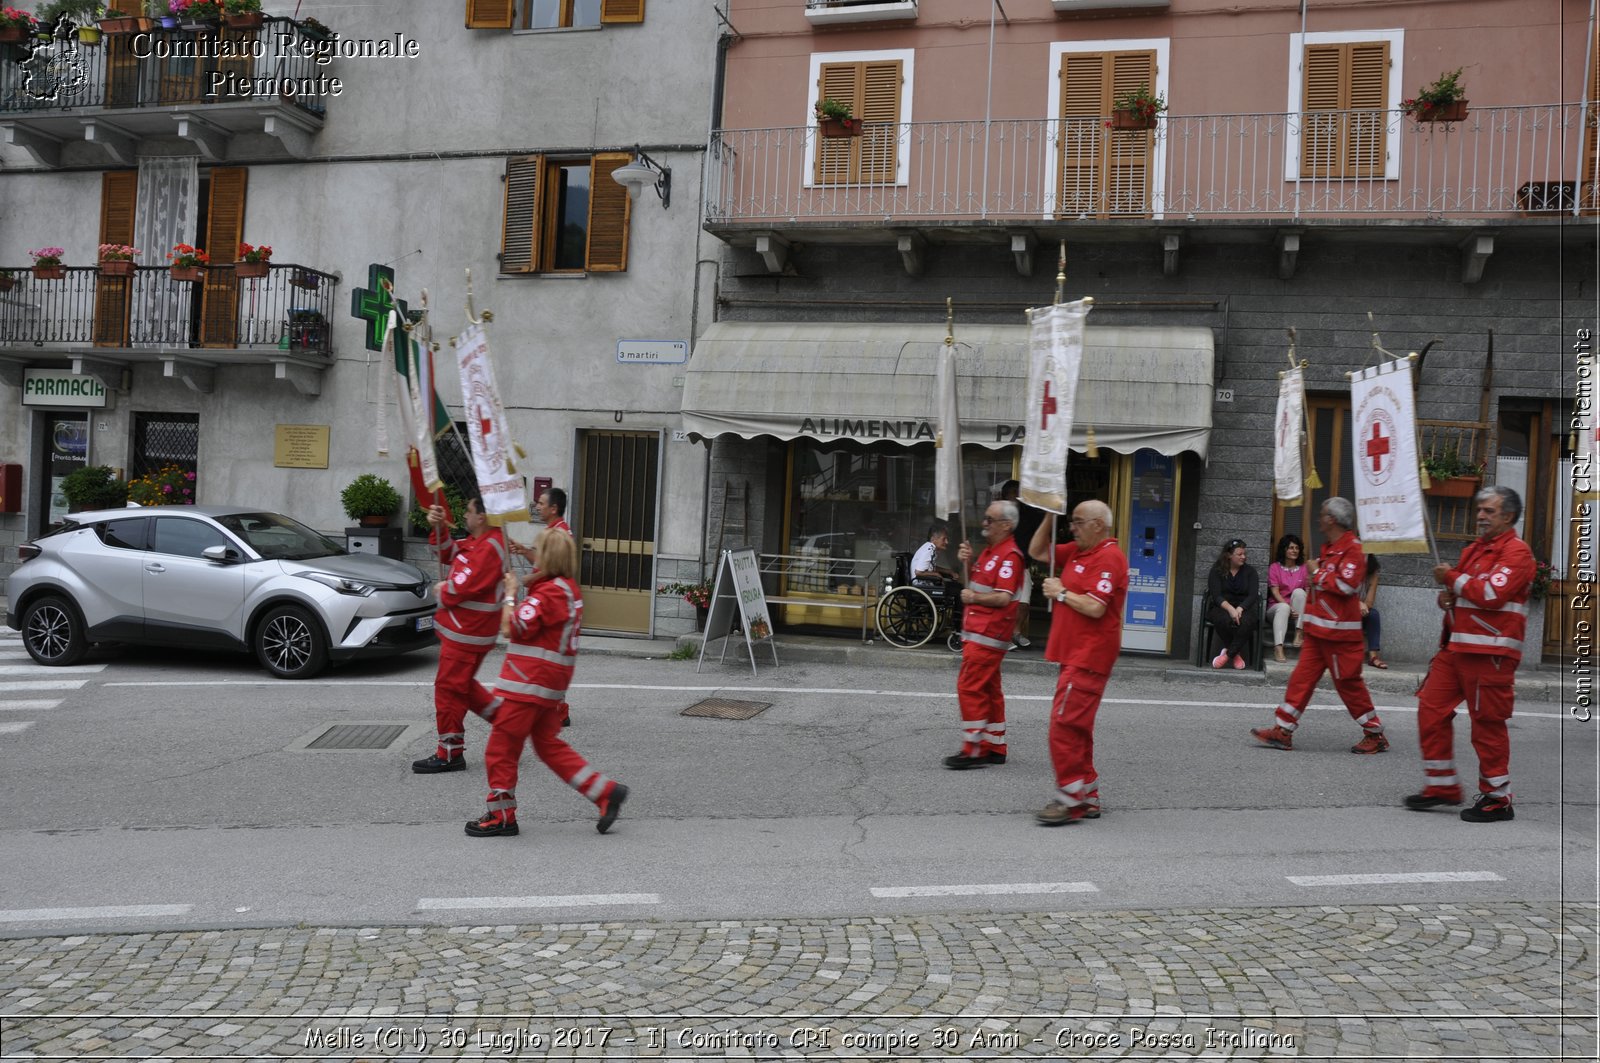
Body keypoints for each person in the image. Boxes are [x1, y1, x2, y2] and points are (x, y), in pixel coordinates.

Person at [466, 528, 629, 837]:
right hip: (547, 687)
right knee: (548, 746)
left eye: (537, 550)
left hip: (527, 685)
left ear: (548, 557)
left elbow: (510, 628)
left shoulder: (549, 592)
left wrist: (512, 594)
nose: (533, 555)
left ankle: (501, 815)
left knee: (500, 749)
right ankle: (604, 792)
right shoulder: (566, 588)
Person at [1404, 486, 1535, 823]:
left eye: (1488, 511)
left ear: (1507, 516)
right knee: (1430, 711)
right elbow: (1459, 593)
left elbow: (1491, 593)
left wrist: (1451, 577)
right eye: (1479, 510)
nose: (1479, 516)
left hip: (1490, 656)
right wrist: (1445, 597)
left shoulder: (1517, 553)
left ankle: (1497, 799)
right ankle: (1441, 785)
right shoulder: (1474, 550)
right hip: (1457, 650)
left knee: (1487, 727)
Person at [1251, 497, 1389, 754]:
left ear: (1332, 520)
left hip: (1339, 636)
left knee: (1349, 686)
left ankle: (1374, 733)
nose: (1318, 518)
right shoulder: (1331, 548)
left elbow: (1347, 585)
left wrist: (1317, 573)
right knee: (1300, 680)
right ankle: (1283, 730)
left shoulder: (1354, 550)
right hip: (1319, 633)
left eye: (1322, 514)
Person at [1030, 500, 1129, 825]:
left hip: (1089, 655)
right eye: (1071, 521)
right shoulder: (1079, 551)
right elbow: (1037, 551)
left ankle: (1070, 798)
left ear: (1098, 525)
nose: (1072, 527)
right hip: (1075, 654)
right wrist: (1049, 514)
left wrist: (1060, 592)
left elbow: (1095, 606)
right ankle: (1087, 795)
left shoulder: (1109, 557)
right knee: (1078, 728)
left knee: (1064, 725)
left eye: (1077, 521)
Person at [413, 496, 507, 774]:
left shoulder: (491, 545)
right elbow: (448, 553)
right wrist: (439, 527)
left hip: (468, 634)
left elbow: (467, 583)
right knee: (461, 688)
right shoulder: (479, 541)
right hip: (464, 632)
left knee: (448, 690)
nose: (464, 515)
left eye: (468, 511)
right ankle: (510, 725)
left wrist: (446, 590)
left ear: (482, 517)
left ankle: (450, 753)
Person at [943, 500, 1025, 770]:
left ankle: (973, 749)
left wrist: (973, 597)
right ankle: (994, 746)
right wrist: (966, 562)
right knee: (989, 689)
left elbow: (1002, 597)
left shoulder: (1009, 555)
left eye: (990, 519)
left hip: (987, 635)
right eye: (985, 518)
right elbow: (974, 581)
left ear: (1006, 525)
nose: (984, 523)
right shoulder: (992, 552)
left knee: (969, 687)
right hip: (979, 633)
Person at [999, 480, 1043, 649]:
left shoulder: (1029, 513)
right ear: (1005, 496)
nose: (1015, 497)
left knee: (1023, 603)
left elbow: (1043, 521)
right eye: (1012, 493)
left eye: (1018, 493)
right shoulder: (999, 514)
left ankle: (1015, 633)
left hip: (1022, 564)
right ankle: (1004, 636)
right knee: (1005, 602)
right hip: (1003, 566)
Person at [1206, 538, 1260, 670]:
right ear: (1229, 555)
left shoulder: (1250, 572)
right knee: (1223, 619)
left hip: (1244, 607)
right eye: (1240, 554)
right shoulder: (1217, 571)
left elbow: (1253, 595)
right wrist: (1230, 609)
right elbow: (1216, 595)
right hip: (1222, 607)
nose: (1243, 557)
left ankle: (1227, 655)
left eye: (1244, 554)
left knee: (1248, 621)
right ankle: (1236, 655)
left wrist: (1240, 608)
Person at [1267, 533, 1310, 663]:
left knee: (1300, 592)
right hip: (1276, 609)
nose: (1294, 551)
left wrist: (1297, 610)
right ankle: (1278, 647)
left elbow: (1307, 591)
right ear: (1284, 549)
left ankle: (1299, 632)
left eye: (1297, 548)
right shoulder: (1275, 568)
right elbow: (1275, 592)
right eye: (1291, 548)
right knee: (1284, 607)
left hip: (1297, 612)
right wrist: (1290, 609)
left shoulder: (1303, 569)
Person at [509, 487, 571, 565]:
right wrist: (524, 550)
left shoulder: (559, 534)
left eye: (541, 504)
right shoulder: (554, 529)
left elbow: (548, 568)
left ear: (554, 509)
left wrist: (528, 577)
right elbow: (540, 563)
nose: (537, 507)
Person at [1361, 554, 1386, 669]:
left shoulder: (1373, 575)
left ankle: (1373, 656)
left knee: (1374, 614)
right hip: (1344, 610)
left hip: (1361, 611)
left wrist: (1362, 606)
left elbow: (1369, 602)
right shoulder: (1347, 571)